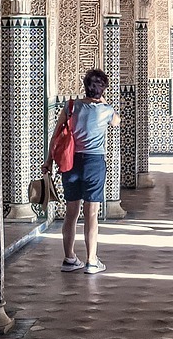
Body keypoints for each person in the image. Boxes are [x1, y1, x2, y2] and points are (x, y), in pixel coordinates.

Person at [44, 67, 121, 275]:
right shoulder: (107, 110)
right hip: (94, 163)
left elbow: (56, 136)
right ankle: (92, 260)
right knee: (92, 213)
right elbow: (117, 122)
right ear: (103, 88)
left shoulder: (71, 107)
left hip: (70, 163)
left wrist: (48, 162)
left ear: (85, 87)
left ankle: (69, 258)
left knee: (71, 213)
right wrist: (103, 101)